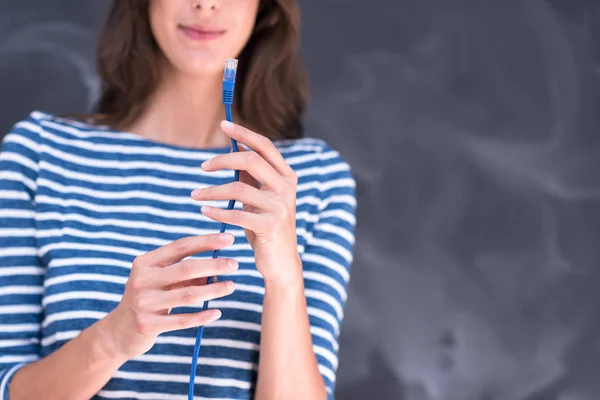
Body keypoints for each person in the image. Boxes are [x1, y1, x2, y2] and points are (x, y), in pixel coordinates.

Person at [0, 0, 357, 399]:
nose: (206, 4)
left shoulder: (310, 178)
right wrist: (115, 337)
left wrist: (285, 281)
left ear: (266, 9)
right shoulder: (41, 153)